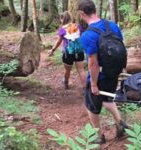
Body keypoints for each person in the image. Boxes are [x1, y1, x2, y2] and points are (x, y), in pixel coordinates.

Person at [78, 0, 127, 144]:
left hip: (100, 75)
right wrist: (122, 69)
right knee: (108, 99)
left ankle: (98, 136)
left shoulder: (87, 35)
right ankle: (120, 125)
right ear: (94, 10)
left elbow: (93, 62)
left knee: (91, 106)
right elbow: (121, 48)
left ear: (82, 13)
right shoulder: (112, 25)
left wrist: (93, 84)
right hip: (113, 72)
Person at [48, 11, 86, 90]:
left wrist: (53, 50)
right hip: (79, 51)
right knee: (81, 70)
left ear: (62, 19)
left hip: (68, 52)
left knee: (67, 70)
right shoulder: (78, 26)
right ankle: (85, 88)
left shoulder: (63, 29)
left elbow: (59, 42)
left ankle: (66, 83)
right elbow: (82, 38)